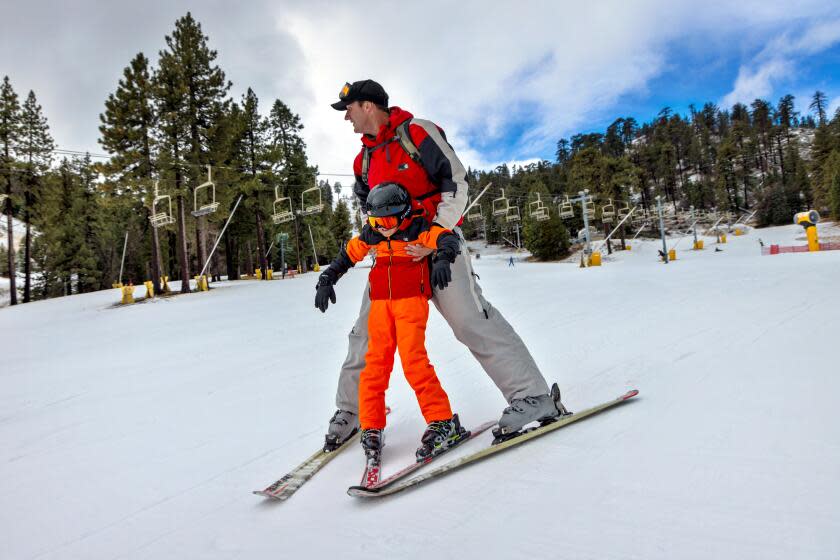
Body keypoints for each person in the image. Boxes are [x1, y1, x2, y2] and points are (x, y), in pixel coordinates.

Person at [322, 79, 565, 451]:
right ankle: (352, 410)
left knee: (471, 319)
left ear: (368, 105)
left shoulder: (417, 133)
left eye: (350, 110)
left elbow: (457, 183)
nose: (347, 119)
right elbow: (369, 212)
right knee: (366, 334)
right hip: (392, 261)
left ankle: (533, 396)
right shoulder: (363, 160)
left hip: (438, 247)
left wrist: (435, 234)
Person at [315, 182, 468, 461]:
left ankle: (443, 420)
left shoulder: (418, 229)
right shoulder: (372, 234)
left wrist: (444, 259)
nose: (381, 226)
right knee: (374, 367)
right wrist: (327, 278)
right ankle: (371, 426)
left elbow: (447, 239)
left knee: (414, 362)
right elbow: (347, 255)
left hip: (410, 303)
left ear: (403, 213)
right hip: (379, 307)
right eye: (375, 220)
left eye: (386, 220)